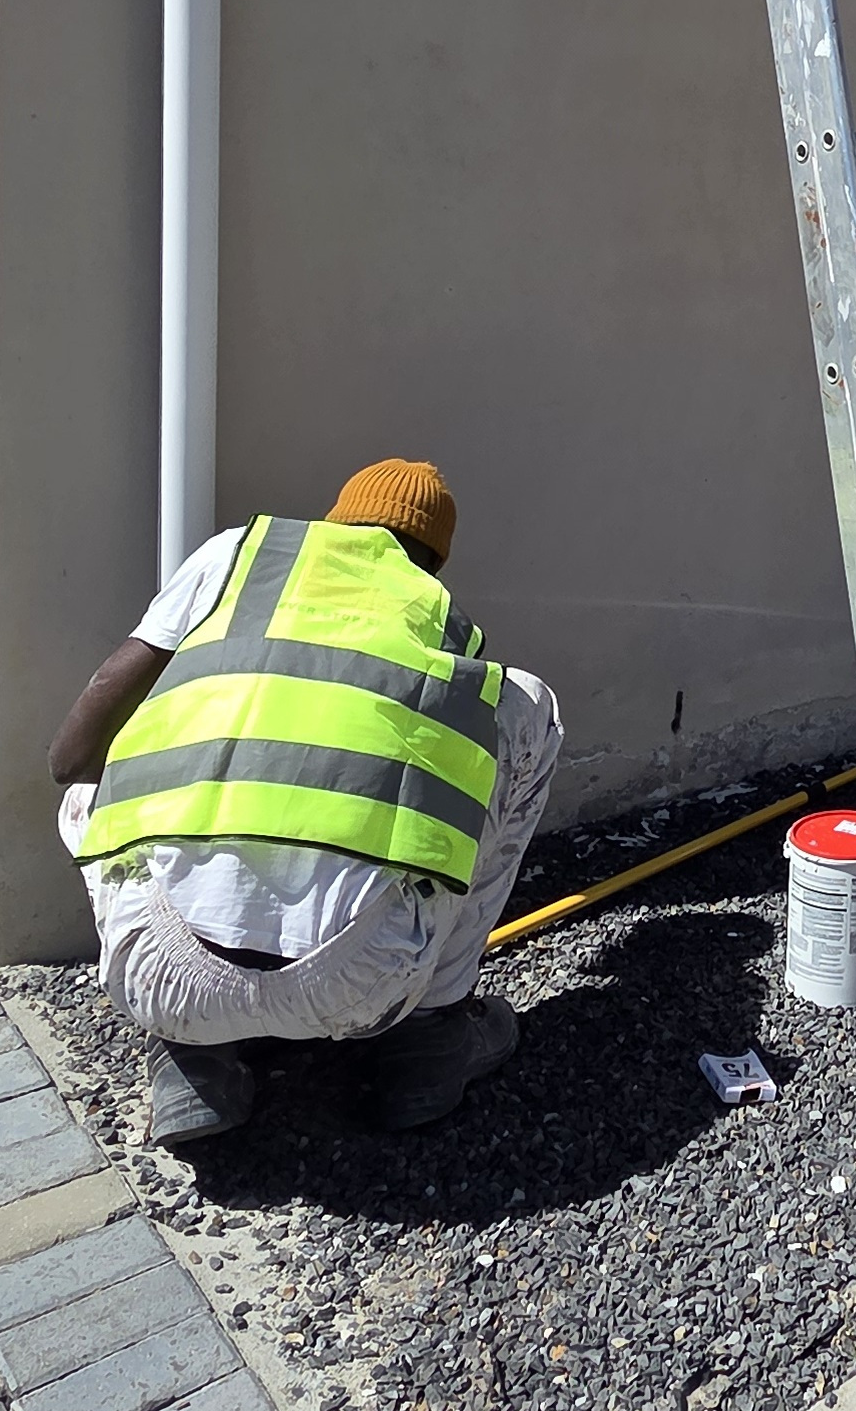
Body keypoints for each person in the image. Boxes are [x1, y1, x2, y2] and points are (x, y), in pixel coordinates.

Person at [50, 458, 562, 1147]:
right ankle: (430, 1039)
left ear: (334, 522)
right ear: (432, 559)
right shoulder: (436, 621)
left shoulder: (236, 557)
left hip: (160, 974)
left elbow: (68, 758)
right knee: (527, 708)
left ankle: (191, 1058)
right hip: (364, 983)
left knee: (94, 791)